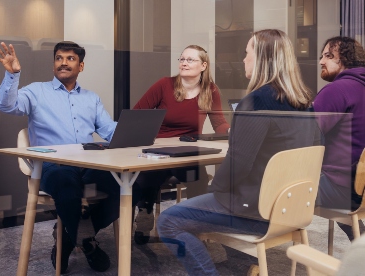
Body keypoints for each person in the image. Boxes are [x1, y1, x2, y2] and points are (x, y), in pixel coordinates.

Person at [156, 29, 320, 275]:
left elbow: (238, 166)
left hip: (256, 211)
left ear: (262, 59)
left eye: (247, 53)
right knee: (213, 200)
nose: (243, 59)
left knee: (169, 221)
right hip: (292, 208)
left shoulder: (255, 102)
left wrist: (215, 189)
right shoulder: (304, 103)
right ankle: (244, 267)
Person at [0, 41, 139, 273]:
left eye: (70, 59)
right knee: (66, 185)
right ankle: (86, 242)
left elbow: (109, 130)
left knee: (130, 184)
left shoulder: (91, 98)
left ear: (80, 66)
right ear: (54, 63)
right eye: (59, 58)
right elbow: (7, 105)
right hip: (53, 166)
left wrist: (135, 132)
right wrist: (12, 75)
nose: (63, 62)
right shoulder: (35, 91)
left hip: (89, 163)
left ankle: (73, 234)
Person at [132, 45, 230, 244]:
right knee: (148, 175)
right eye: (182, 59)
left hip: (189, 151)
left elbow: (219, 122)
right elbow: (138, 113)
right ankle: (145, 212)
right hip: (160, 147)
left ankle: (194, 220)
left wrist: (231, 132)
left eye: (190, 60)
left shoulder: (210, 90)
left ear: (203, 65)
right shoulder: (164, 85)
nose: (184, 63)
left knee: (199, 177)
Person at [313, 36, 365, 239]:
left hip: (341, 188)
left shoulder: (337, 90)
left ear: (345, 58)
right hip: (359, 186)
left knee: (264, 185)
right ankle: (359, 238)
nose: (321, 62)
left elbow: (305, 136)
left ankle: (243, 256)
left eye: (328, 56)